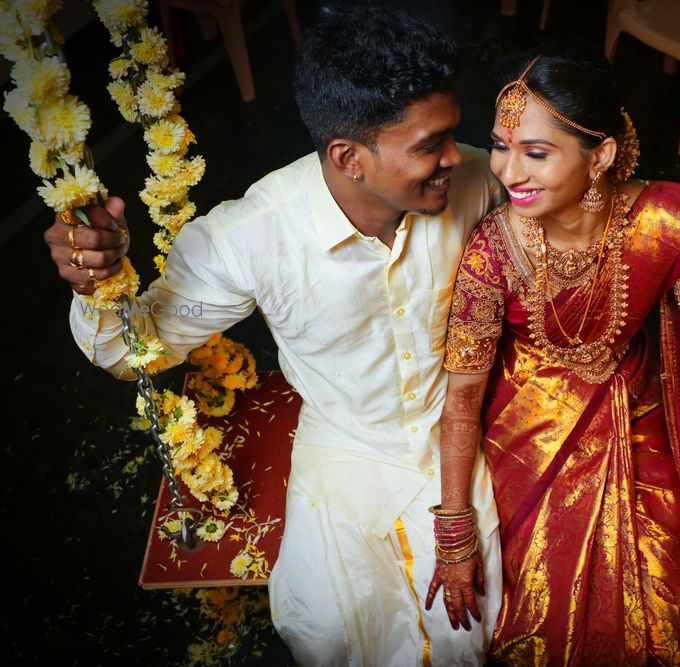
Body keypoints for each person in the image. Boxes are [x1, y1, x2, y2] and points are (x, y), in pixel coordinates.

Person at [41, 7, 506, 666]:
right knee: (325, 631)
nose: (454, 158)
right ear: (348, 157)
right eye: (430, 145)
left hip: (457, 440)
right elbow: (133, 351)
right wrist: (98, 285)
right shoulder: (251, 238)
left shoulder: (478, 182)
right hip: (343, 446)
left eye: (452, 135)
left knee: (469, 633)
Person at [424, 51, 680, 666]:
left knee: (662, 591)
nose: (507, 171)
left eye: (536, 152)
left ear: (600, 155)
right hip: (521, 432)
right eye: (499, 147)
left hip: (634, 410)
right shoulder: (491, 253)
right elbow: (462, 400)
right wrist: (453, 535)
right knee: (529, 609)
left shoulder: (664, 225)